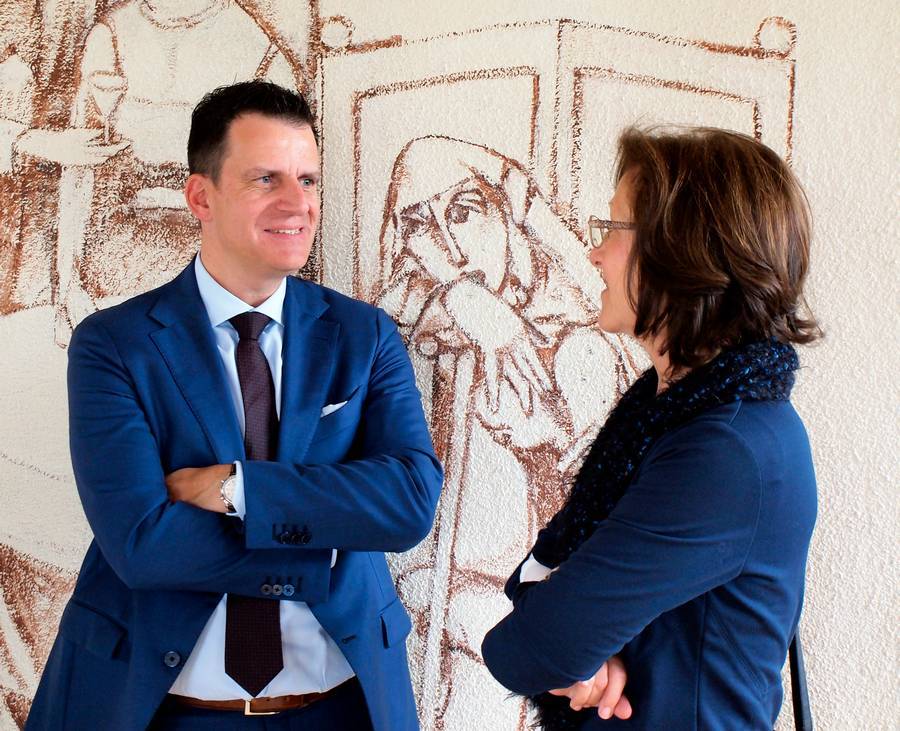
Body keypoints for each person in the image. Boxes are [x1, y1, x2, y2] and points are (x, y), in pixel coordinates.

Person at [25, 80, 442, 731]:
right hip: (163, 709)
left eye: (307, 179)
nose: (297, 203)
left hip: (342, 707)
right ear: (201, 197)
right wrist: (327, 547)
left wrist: (238, 488)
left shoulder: (364, 336)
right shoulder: (114, 344)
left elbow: (410, 502)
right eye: (265, 178)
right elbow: (141, 544)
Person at [482, 126, 820, 729]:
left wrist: (567, 651)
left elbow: (523, 648)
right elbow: (539, 591)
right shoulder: (672, 414)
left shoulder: (724, 450)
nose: (594, 254)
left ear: (683, 252)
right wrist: (579, 654)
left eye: (613, 229)